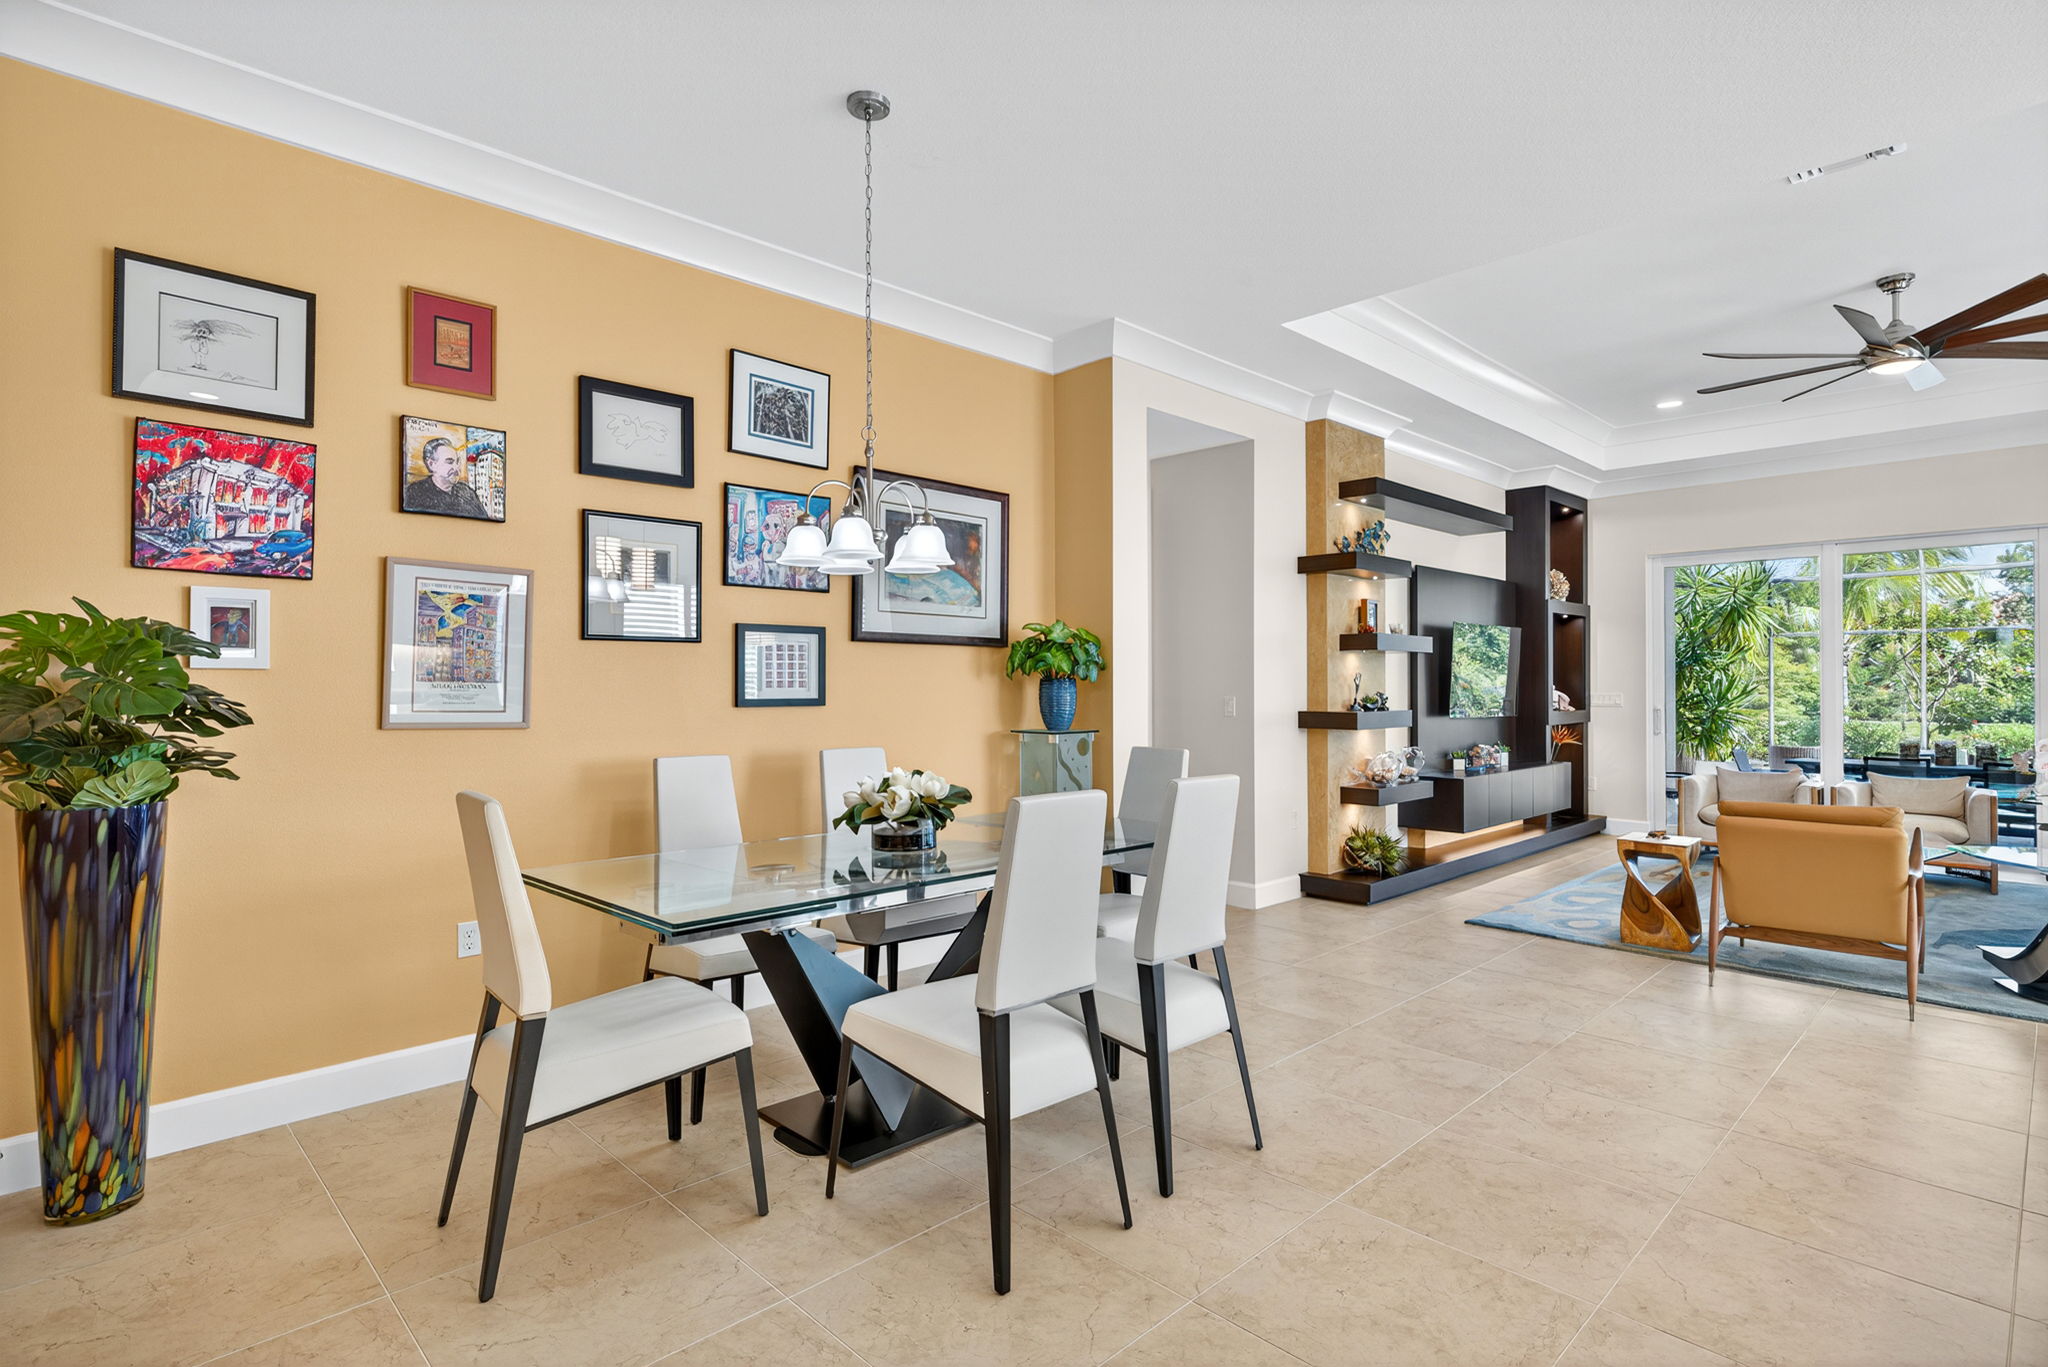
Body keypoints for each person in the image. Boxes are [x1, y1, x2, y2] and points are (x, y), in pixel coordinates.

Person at [404, 437, 486, 518]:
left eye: (457, 462)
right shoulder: (414, 493)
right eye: (449, 462)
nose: (456, 468)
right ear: (431, 464)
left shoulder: (467, 492)